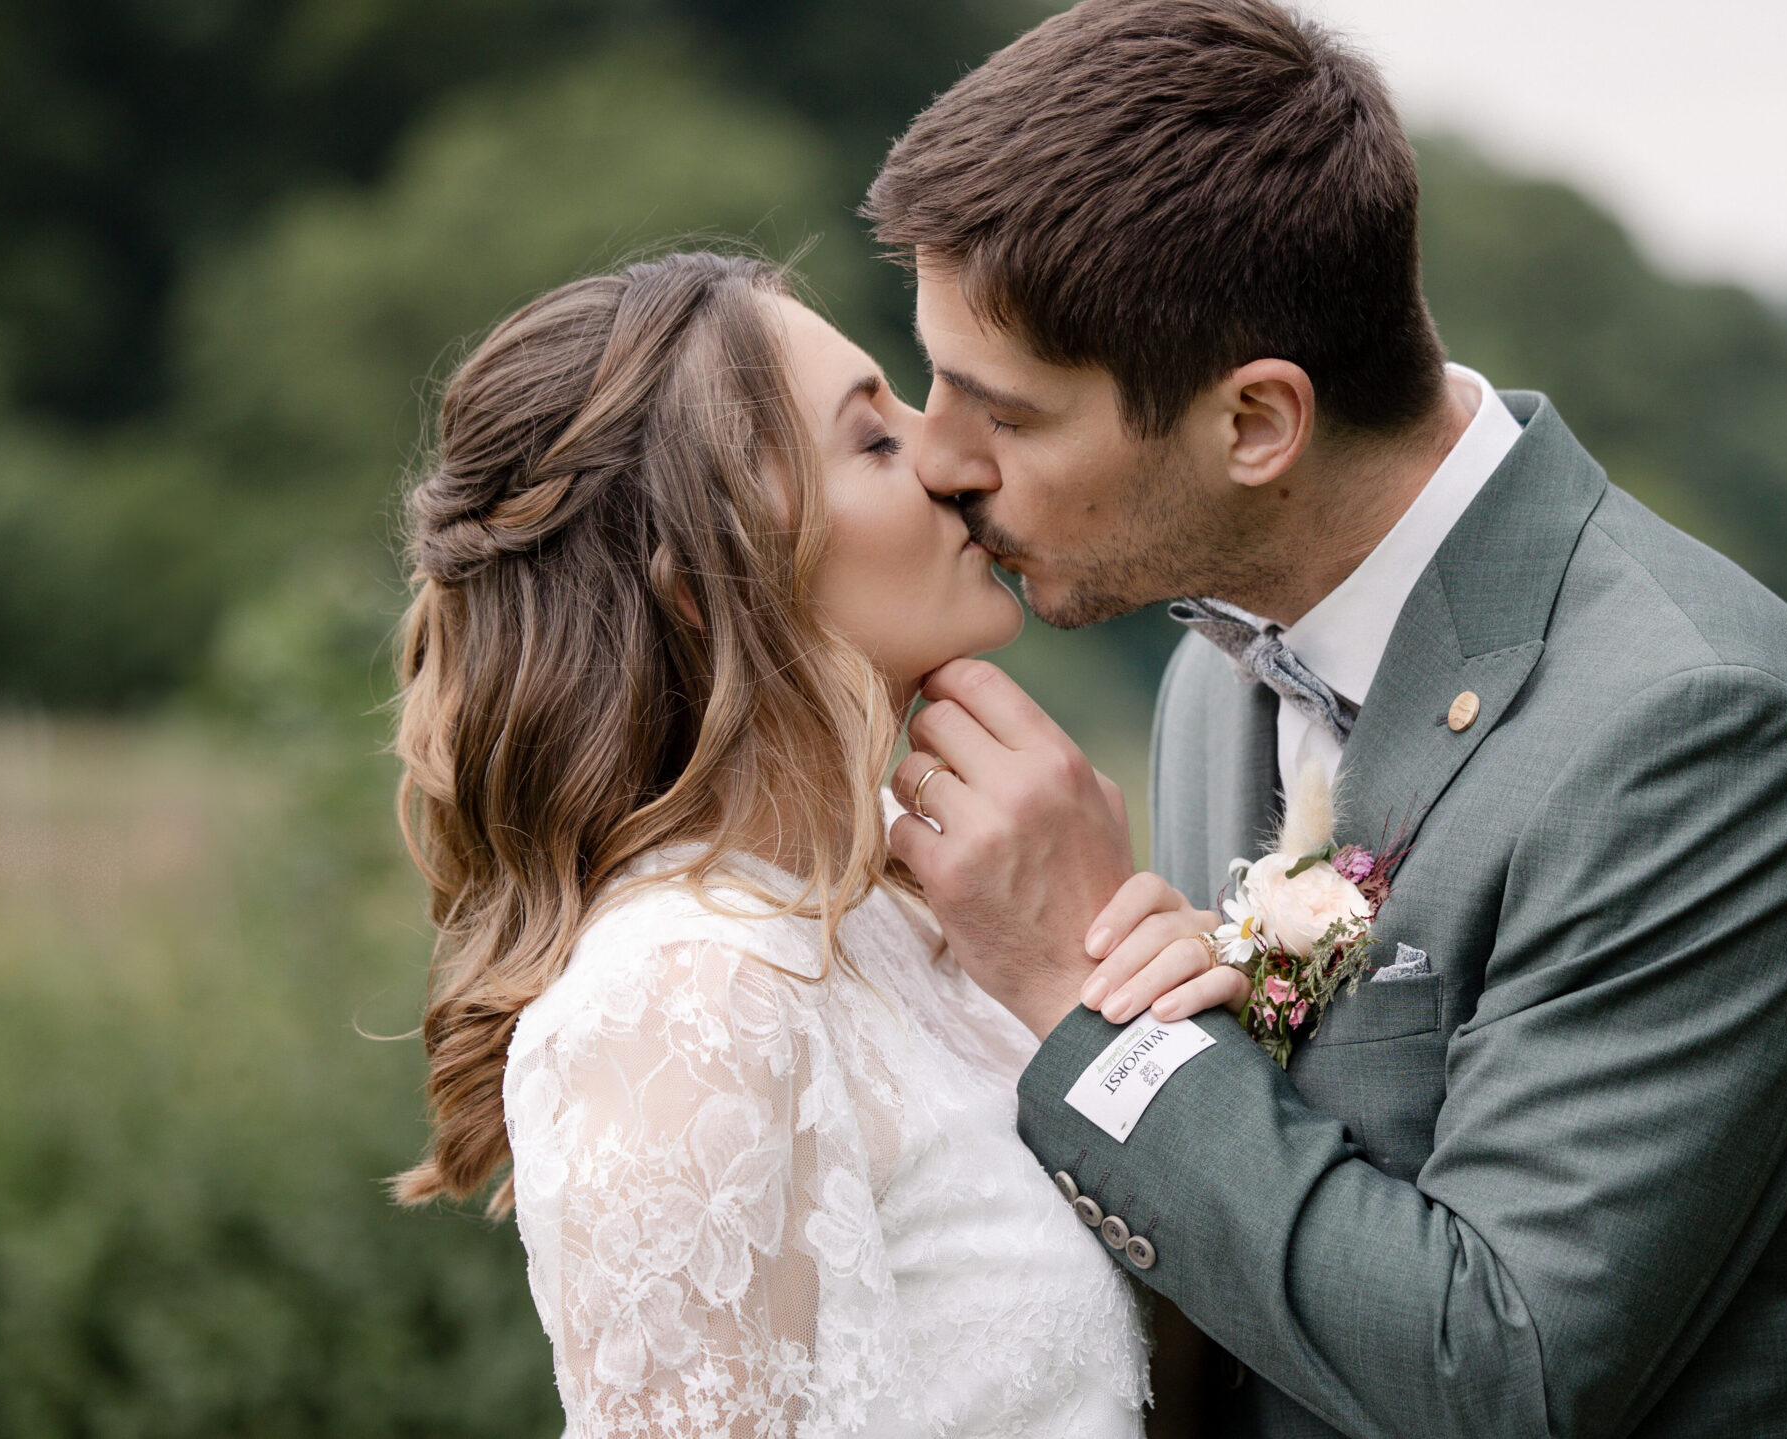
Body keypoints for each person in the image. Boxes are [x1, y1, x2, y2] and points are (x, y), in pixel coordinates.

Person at [863, 2, 1787, 1437]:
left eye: (1007, 413)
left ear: (1255, 423)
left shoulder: (1702, 735)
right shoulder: (1213, 673)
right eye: (932, 380)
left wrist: (1078, 1000)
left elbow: (1497, 1374)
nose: (937, 456)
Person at [385, 252, 1249, 1438]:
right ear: (704, 580)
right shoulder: (679, 994)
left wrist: (1159, 1008)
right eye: (875, 440)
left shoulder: (925, 904)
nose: (951, 461)